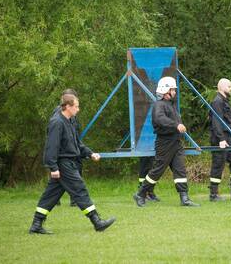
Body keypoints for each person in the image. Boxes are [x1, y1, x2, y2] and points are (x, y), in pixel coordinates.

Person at [29, 93, 115, 234]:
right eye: (76, 106)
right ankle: (97, 222)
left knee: (51, 195)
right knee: (80, 189)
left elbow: (76, 144)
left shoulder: (70, 121)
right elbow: (51, 147)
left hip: (69, 163)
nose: (78, 109)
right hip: (64, 164)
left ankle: (36, 224)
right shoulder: (57, 122)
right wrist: (53, 167)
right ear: (68, 107)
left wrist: (90, 153)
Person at [133, 76, 199, 207]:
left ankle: (184, 198)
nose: (174, 92)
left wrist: (178, 125)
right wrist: (176, 125)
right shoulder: (159, 105)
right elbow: (159, 119)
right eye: (172, 90)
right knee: (157, 170)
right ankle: (140, 194)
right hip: (164, 143)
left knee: (180, 170)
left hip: (176, 143)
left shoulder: (171, 105)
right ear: (165, 90)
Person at [52, 89, 82, 207]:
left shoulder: (71, 115)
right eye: (75, 105)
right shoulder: (58, 117)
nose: (77, 108)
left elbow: (75, 129)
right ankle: (75, 199)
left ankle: (66, 199)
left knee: (59, 178)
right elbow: (56, 138)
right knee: (71, 176)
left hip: (71, 148)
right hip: (64, 153)